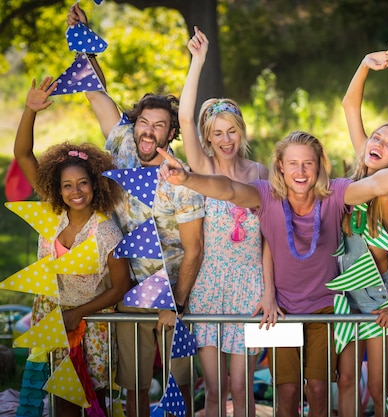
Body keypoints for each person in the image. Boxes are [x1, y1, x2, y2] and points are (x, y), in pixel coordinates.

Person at [157, 130, 388, 417]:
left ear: (318, 165)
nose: (301, 171)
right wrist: (187, 179)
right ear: (280, 165)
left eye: (308, 163)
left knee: (318, 390)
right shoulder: (266, 195)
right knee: (288, 392)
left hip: (325, 308)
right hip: (281, 312)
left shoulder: (334, 194)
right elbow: (229, 189)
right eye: (293, 163)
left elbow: (376, 183)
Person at [67, 5, 205, 417]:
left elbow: (194, 249)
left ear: (171, 133)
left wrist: (175, 302)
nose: (148, 131)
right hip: (130, 291)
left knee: (179, 385)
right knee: (134, 387)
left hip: (178, 294)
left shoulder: (182, 180)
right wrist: (82, 39)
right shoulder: (124, 144)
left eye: (159, 125)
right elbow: (95, 92)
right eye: (144, 121)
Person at [178, 27, 282, 417]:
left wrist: (268, 291)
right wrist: (198, 61)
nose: (226, 139)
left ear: (241, 132)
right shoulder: (202, 169)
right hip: (210, 284)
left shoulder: (261, 172)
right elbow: (185, 118)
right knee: (216, 387)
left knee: (242, 388)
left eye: (232, 131)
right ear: (208, 138)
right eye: (218, 133)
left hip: (249, 284)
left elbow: (271, 237)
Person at [14, 77, 132, 417]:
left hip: (91, 324)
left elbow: (120, 287)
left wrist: (77, 315)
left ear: (95, 184)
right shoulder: (52, 214)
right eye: (67, 185)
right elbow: (22, 153)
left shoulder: (105, 229)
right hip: (51, 317)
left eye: (82, 183)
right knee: (62, 400)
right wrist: (29, 110)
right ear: (57, 188)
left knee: (91, 399)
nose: (75, 191)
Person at [335, 46, 388, 417]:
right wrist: (364, 64)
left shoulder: (385, 191)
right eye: (376, 137)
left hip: (379, 301)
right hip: (346, 295)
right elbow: (350, 107)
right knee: (348, 380)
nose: (377, 144)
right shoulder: (359, 181)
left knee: (382, 386)